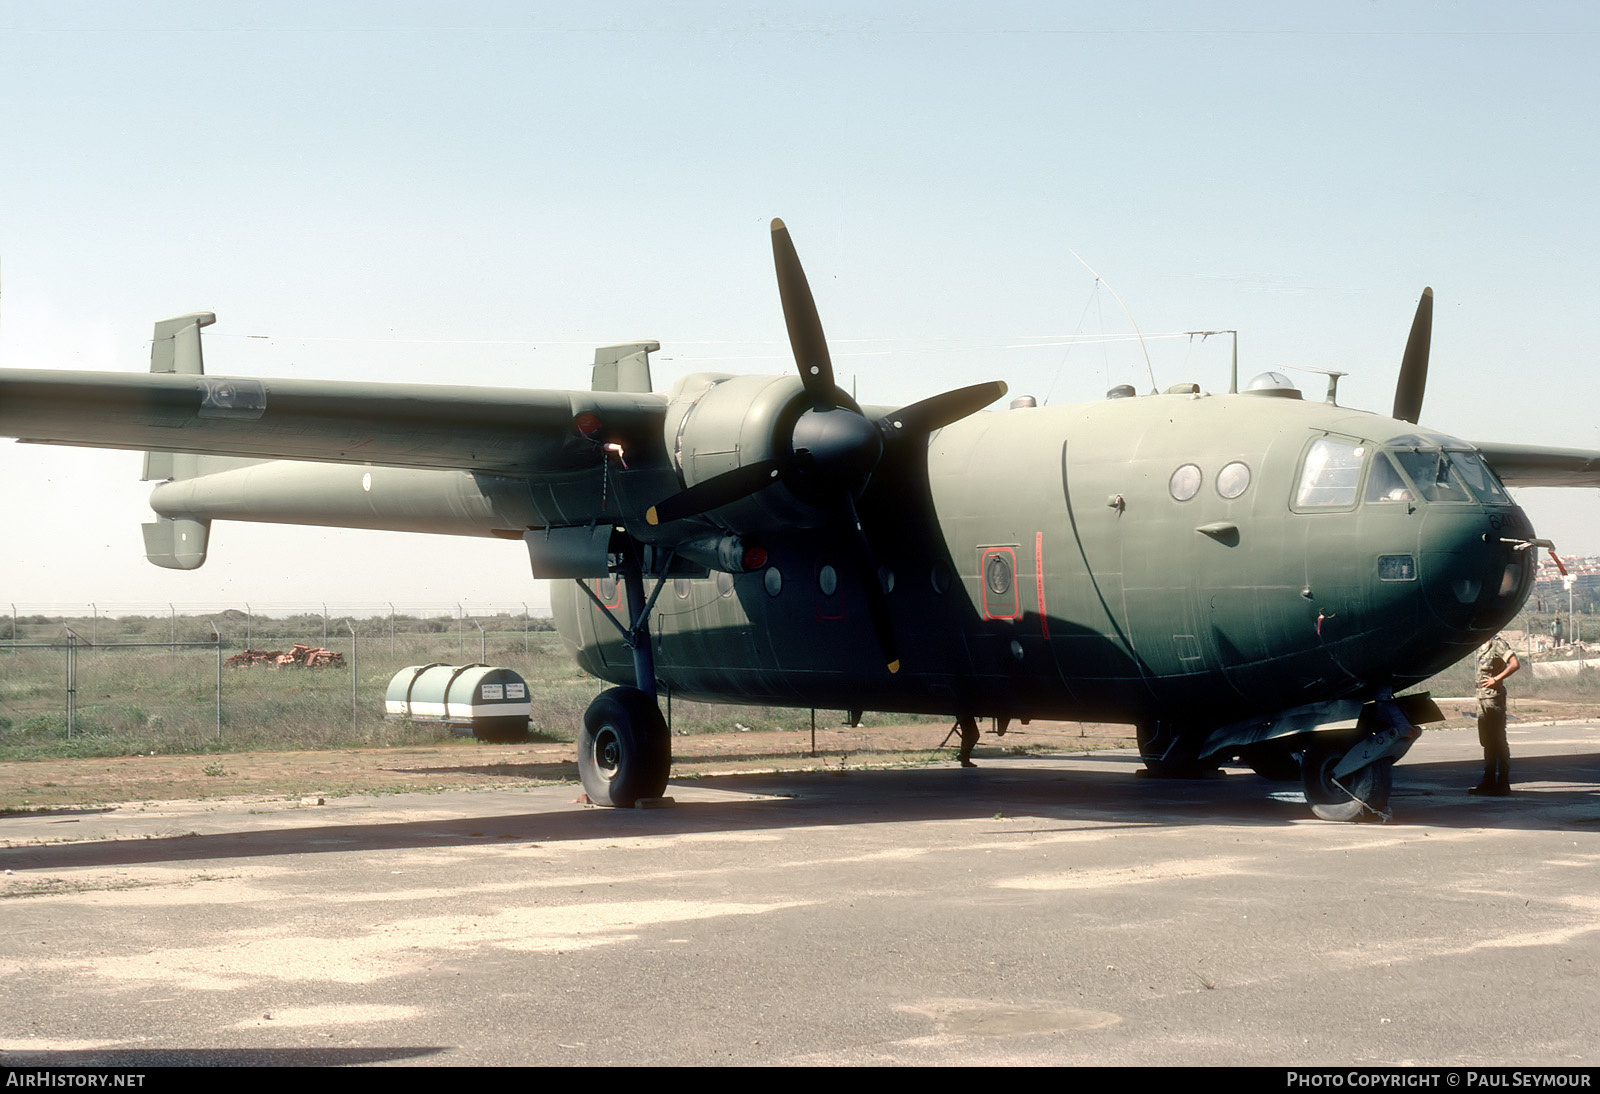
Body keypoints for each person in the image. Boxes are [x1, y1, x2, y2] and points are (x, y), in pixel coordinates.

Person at [1471, 634, 1519, 796]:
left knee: (1498, 740)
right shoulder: (1480, 644)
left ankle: (1503, 782)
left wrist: (1496, 679)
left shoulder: (1497, 644)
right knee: (1486, 740)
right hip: (1482, 697)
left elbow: (1514, 664)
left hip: (1494, 698)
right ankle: (1489, 780)